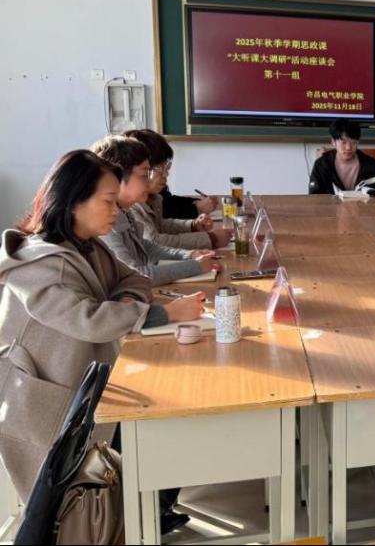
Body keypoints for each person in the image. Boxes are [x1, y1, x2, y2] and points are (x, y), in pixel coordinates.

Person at [0, 151, 203, 506]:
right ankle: (140, 514)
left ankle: (151, 511)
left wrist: (123, 302)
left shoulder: (87, 246)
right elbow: (90, 321)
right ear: (74, 202)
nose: (115, 210)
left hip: (81, 385)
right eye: (108, 201)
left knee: (160, 430)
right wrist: (163, 314)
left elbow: (135, 279)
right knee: (155, 434)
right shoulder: (39, 262)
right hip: (42, 405)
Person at [91, 135, 219, 286]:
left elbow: (145, 247)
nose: (149, 181)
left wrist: (190, 255)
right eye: (144, 175)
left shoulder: (124, 211)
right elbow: (136, 275)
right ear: (117, 178)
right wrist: (195, 266)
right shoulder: (106, 221)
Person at [125, 129, 232, 249]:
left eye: (167, 167)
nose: (166, 174)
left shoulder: (153, 198)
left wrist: (192, 226)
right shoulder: (131, 204)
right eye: (161, 168)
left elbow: (161, 225)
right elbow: (154, 241)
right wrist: (211, 239)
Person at [308, 118, 375, 194]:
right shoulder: (322, 165)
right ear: (333, 142)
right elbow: (315, 195)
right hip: (331, 202)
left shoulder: (370, 165)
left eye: (353, 142)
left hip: (362, 202)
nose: (348, 147)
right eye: (343, 142)